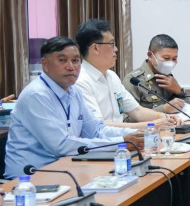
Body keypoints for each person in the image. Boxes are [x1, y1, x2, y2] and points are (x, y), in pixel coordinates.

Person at [4, 37, 143, 178]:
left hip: (66, 169)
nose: (71, 67)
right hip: (29, 178)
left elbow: (96, 130)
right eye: (62, 60)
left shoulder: (74, 91)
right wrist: (121, 142)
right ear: (45, 64)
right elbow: (61, 145)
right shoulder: (36, 95)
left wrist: (138, 134)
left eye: (75, 60)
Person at [74, 19, 178, 130]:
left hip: (123, 139)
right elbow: (98, 126)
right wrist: (152, 125)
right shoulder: (80, 81)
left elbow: (137, 111)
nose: (116, 49)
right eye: (112, 44)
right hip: (104, 140)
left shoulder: (112, 76)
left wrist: (166, 117)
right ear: (96, 48)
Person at [123, 34, 186, 113]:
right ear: (150, 55)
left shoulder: (169, 77)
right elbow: (126, 118)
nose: (170, 63)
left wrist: (179, 91)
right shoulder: (133, 81)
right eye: (166, 58)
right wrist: (164, 109)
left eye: (174, 59)